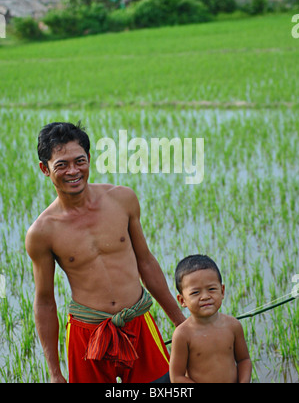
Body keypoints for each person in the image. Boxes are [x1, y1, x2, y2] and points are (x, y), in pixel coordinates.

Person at [26, 122, 185, 383]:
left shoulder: (122, 199)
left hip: (138, 323)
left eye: (79, 161)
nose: (73, 171)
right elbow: (44, 301)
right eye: (61, 165)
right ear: (45, 169)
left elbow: (146, 262)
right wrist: (55, 373)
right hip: (87, 334)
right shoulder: (42, 232)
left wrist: (182, 324)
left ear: (89, 158)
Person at [169, 254, 252, 383]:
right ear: (182, 300)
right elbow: (176, 377)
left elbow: (244, 360)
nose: (205, 296)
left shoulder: (233, 326)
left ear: (222, 291)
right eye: (195, 292)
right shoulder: (182, 335)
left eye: (212, 289)